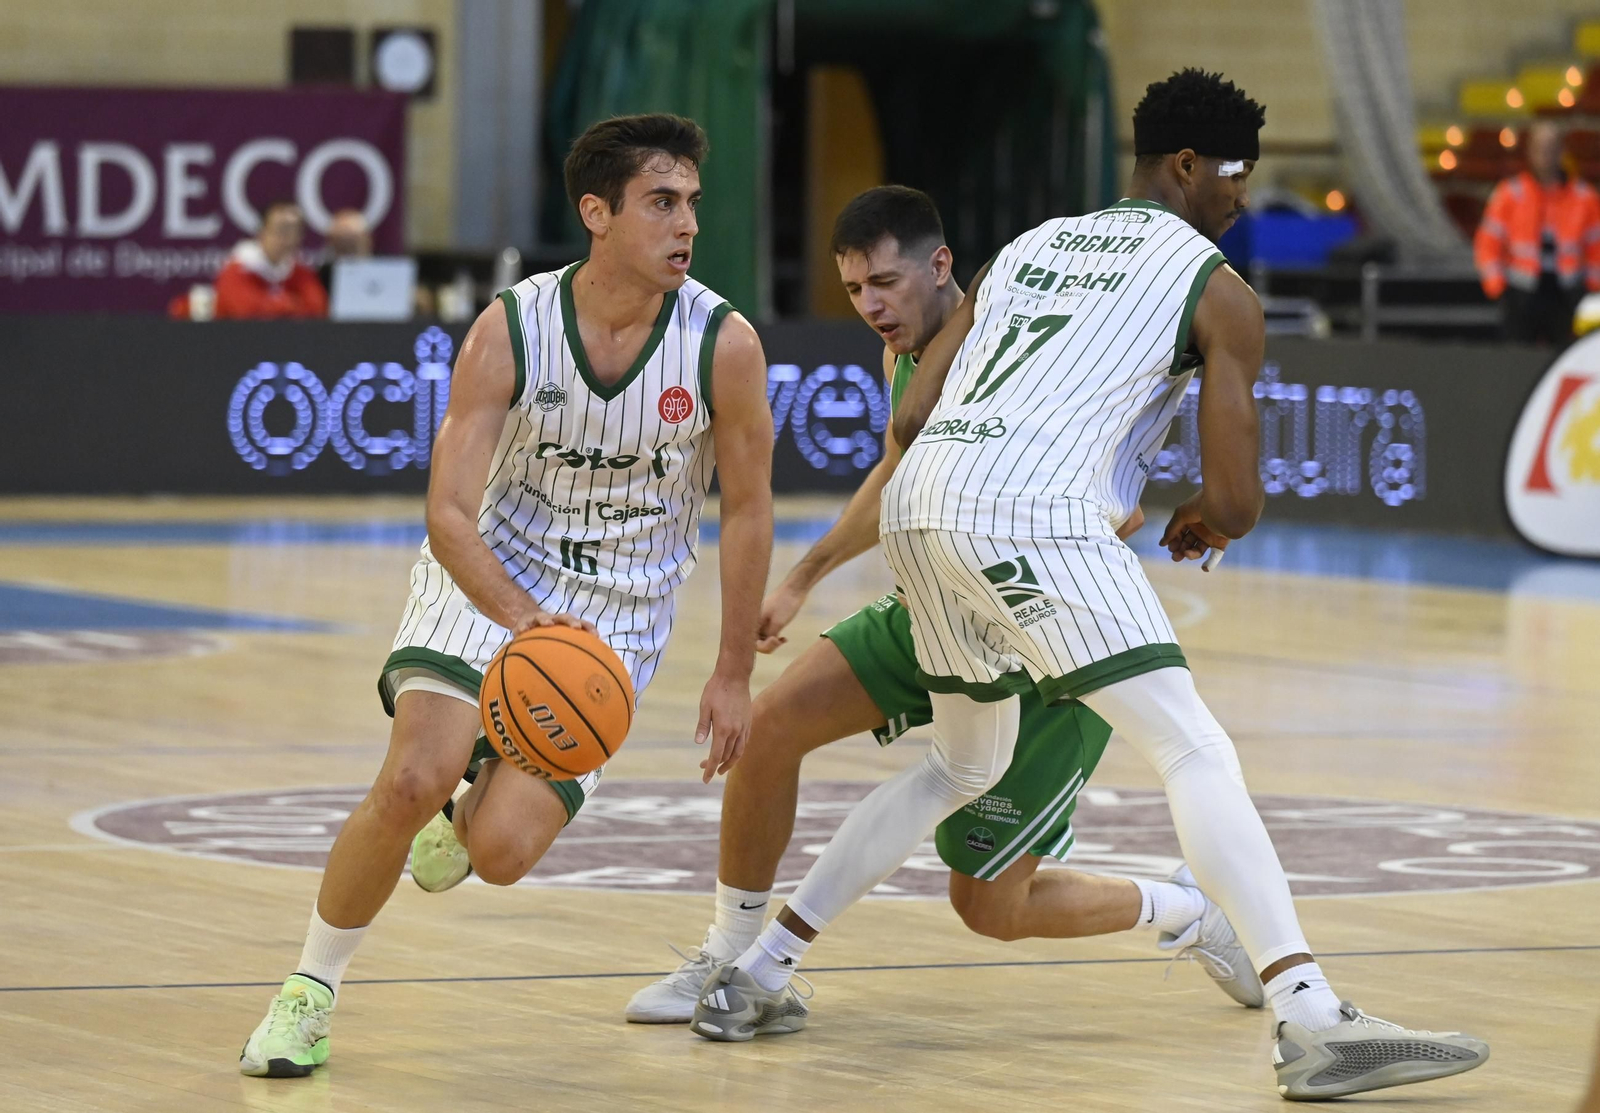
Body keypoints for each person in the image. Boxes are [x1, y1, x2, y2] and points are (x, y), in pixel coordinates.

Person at [693, 70, 1489, 1102]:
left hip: (922, 506)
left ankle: (758, 971)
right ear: (1187, 165)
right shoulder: (1217, 290)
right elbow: (1238, 503)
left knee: (956, 766)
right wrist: (1203, 510)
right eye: (1236, 175)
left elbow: (911, 414)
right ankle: (1310, 1014)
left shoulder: (1029, 244)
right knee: (1191, 743)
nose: (1240, 197)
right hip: (1032, 514)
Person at [623, 185, 1258, 1028]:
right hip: (938, 597)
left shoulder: (1037, 331)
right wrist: (804, 577)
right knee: (773, 726)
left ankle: (1189, 912)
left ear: (943, 266)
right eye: (854, 291)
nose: (872, 306)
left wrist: (1119, 500)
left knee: (989, 904)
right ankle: (733, 956)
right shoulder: (905, 358)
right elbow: (893, 477)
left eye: (886, 282)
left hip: (1043, 634)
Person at [238, 112, 774, 1078]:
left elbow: (747, 512)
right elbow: (448, 510)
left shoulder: (723, 344)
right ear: (597, 214)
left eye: (692, 202)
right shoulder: (513, 326)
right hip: (496, 570)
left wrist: (733, 670)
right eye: (662, 202)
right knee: (412, 772)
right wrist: (519, 618)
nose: (686, 223)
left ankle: (467, 812)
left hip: (620, 609)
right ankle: (307, 993)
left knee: (502, 851)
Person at [1474, 120, 1600, 346]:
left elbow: (1596, 247)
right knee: (1516, 360)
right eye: (1539, 148)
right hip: (1521, 292)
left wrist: (1592, 289)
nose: (1545, 155)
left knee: (1566, 358)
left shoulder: (1584, 197)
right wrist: (1497, 286)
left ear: (1561, 151)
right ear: (1530, 151)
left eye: (1551, 148)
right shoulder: (1510, 194)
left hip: (1567, 293)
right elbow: (1488, 242)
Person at [214, 200, 328, 319]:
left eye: (295, 230)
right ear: (262, 231)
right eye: (282, 229)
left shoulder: (301, 271)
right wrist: (290, 304)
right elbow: (246, 311)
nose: (289, 237)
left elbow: (317, 308)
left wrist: (273, 305)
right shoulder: (238, 269)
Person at [315, 208, 373, 293]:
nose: (348, 247)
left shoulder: (387, 273)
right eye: (341, 240)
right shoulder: (320, 279)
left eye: (353, 240)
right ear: (331, 242)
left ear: (367, 240)